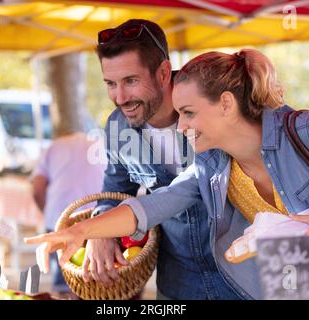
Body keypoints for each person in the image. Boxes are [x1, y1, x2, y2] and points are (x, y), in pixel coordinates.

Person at [26, 49, 309, 299]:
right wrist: (81, 231)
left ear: (227, 104)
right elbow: (157, 205)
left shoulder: (307, 132)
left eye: (188, 113)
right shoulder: (212, 164)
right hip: (297, 280)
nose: (182, 126)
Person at [81, 19, 241, 300]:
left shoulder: (212, 104)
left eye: (131, 81)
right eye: (110, 83)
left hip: (242, 275)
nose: (120, 97)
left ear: (164, 72)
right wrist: (99, 229)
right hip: (178, 282)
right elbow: (115, 190)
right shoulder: (118, 126)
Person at [30, 131, 106, 293]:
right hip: (96, 221)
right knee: (96, 285)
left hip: (60, 218)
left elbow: (37, 189)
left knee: (66, 284)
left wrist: (47, 212)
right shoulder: (102, 145)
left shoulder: (54, 146)